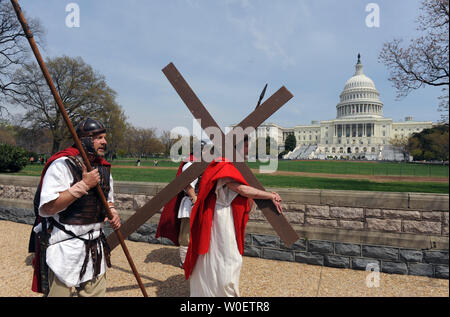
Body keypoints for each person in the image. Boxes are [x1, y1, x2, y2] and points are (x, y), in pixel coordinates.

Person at [30, 117, 120, 297]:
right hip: (65, 246)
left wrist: (112, 212)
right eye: (99, 137)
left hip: (95, 248)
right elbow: (48, 208)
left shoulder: (103, 168)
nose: (104, 141)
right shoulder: (61, 165)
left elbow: (107, 201)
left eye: (104, 137)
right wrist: (83, 186)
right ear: (85, 139)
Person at [183, 136, 283, 297]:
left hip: (224, 215)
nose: (247, 150)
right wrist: (269, 195)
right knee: (227, 258)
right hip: (220, 218)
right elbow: (241, 189)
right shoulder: (223, 165)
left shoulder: (229, 164)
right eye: (245, 147)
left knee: (224, 257)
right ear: (235, 148)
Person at [156, 140, 208, 267]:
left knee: (199, 232)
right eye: (206, 150)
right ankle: (184, 261)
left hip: (200, 203)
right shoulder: (190, 164)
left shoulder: (201, 163)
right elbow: (189, 186)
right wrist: (194, 200)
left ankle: (196, 259)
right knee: (186, 234)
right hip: (190, 203)